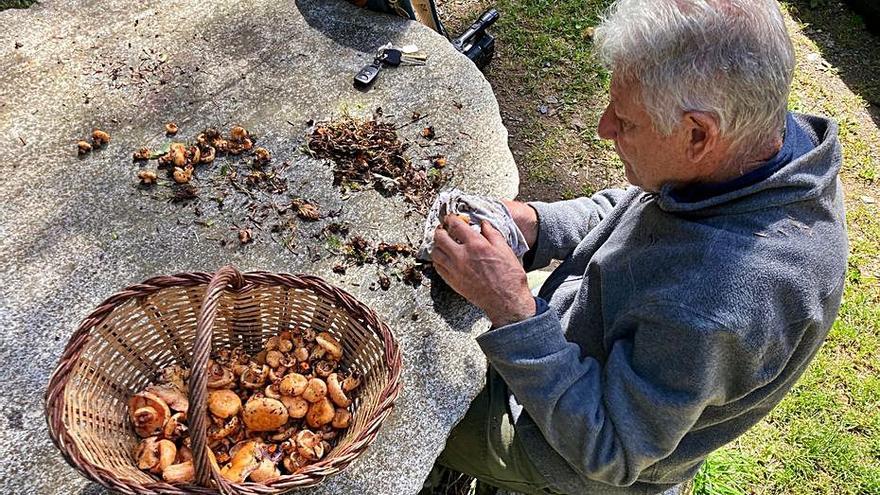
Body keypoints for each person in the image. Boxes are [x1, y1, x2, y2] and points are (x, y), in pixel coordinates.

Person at [428, 0, 849, 494]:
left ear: (698, 134)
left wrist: (513, 309)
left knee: (418, 412)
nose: (605, 127)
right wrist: (538, 224)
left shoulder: (720, 302)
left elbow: (608, 450)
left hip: (568, 451)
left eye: (626, 122)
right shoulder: (762, 151)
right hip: (586, 352)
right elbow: (646, 205)